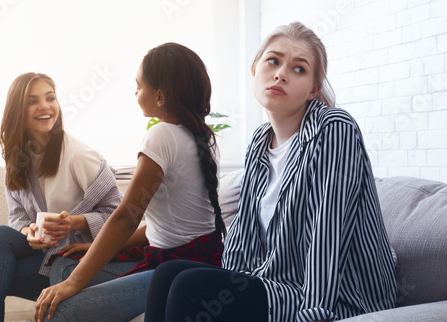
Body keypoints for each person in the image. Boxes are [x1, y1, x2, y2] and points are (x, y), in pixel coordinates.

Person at [144, 22, 397, 322]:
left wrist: (315, 313)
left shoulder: (334, 129)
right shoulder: (260, 142)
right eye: (273, 61)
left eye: (299, 69)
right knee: (168, 274)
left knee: (189, 286)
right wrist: (227, 285)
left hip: (338, 295)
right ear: (256, 68)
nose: (280, 74)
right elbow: (245, 232)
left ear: (314, 89)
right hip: (278, 283)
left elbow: (328, 231)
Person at [34, 42, 226, 322]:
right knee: (63, 266)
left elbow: (127, 217)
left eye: (139, 85)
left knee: (62, 307)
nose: (135, 92)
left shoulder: (162, 135)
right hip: (198, 259)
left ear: (160, 96)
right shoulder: (201, 136)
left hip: (179, 270)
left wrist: (74, 284)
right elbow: (168, 228)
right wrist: (98, 246)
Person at [0, 72, 124, 322]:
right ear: (17, 110)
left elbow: (120, 218)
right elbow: (17, 216)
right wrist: (29, 231)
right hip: (47, 253)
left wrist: (75, 222)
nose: (44, 106)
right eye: (32, 101)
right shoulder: (17, 158)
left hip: (79, 258)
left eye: (50, 98)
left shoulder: (79, 155)